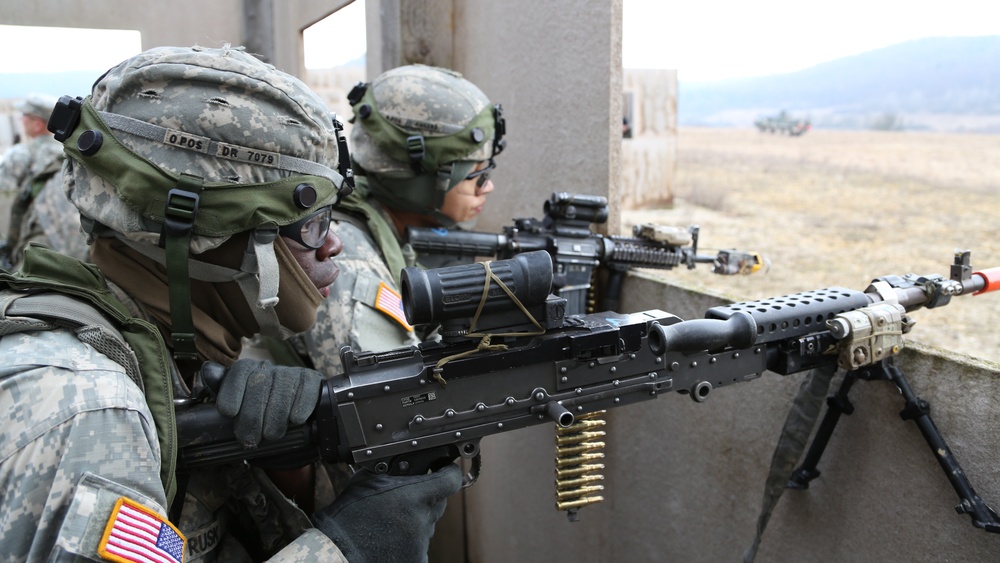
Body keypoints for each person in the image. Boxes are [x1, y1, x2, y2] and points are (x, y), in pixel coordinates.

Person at [0, 45, 460, 562]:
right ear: (206, 236)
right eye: (312, 224)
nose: (333, 246)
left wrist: (294, 471)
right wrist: (343, 548)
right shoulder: (88, 411)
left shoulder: (161, 352)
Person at [301, 64, 506, 375]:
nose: (488, 187)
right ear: (420, 183)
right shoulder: (346, 262)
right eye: (477, 174)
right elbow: (395, 402)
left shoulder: (379, 223)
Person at [0, 93, 74, 267]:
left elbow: (5, 204)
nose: (21, 120)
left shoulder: (19, 155)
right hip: (71, 244)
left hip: (30, 247)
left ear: (38, 124)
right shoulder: (71, 153)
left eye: (25, 116)